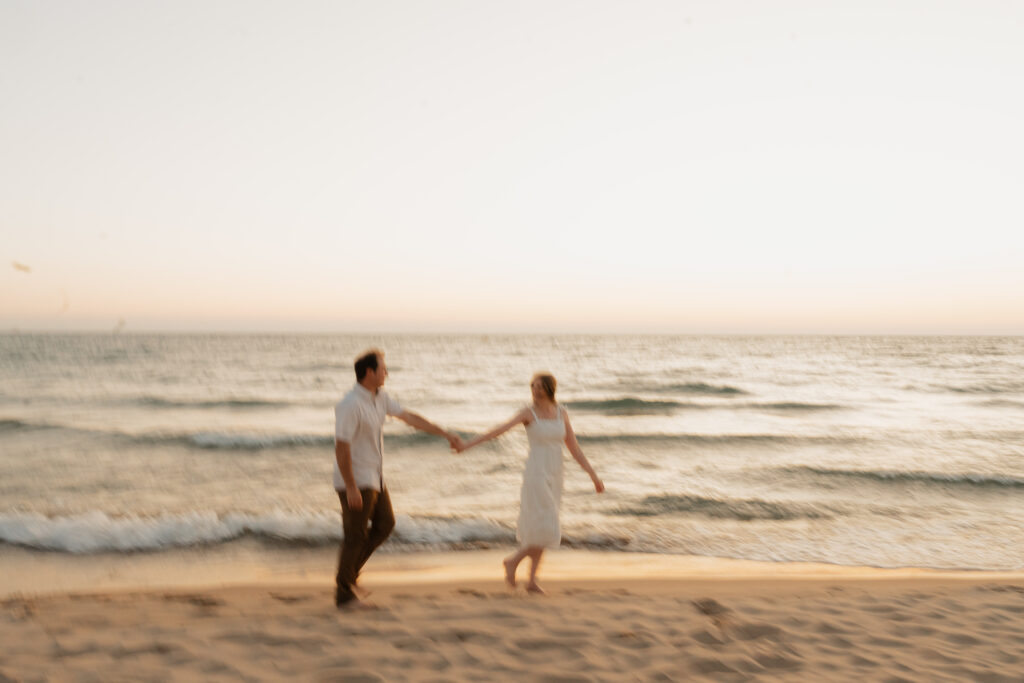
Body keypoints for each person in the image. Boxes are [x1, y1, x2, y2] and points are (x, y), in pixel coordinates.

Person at [334, 348, 462, 608]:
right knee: (355, 535)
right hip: (356, 479)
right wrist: (350, 487)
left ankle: (348, 577)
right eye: (383, 369)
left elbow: (409, 418)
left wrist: (444, 433)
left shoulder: (379, 397)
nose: (387, 373)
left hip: (375, 475)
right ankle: (344, 593)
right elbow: (341, 446)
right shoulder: (350, 404)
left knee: (385, 524)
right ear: (369, 372)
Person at [457, 372, 604, 594]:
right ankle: (513, 561)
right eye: (533, 386)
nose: (535, 390)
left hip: (555, 473)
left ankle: (532, 580)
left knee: (541, 527)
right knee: (547, 524)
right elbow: (499, 430)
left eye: (539, 386)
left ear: (549, 388)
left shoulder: (561, 413)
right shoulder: (528, 413)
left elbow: (574, 448)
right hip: (536, 472)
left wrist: (593, 475)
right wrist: (468, 444)